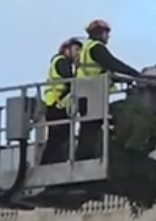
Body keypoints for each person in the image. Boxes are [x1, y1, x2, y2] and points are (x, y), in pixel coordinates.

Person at [75, 20, 144, 160]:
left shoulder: (86, 48)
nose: (108, 37)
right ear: (100, 33)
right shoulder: (96, 47)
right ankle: (85, 157)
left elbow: (101, 71)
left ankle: (83, 156)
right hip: (92, 93)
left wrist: (121, 79)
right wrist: (137, 74)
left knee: (88, 128)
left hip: (86, 92)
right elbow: (112, 63)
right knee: (91, 128)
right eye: (107, 33)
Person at [40, 38, 81, 165]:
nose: (78, 53)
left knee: (60, 137)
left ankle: (51, 162)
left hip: (59, 105)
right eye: (76, 50)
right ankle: (46, 164)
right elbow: (70, 79)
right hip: (56, 105)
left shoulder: (62, 62)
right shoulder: (61, 61)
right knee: (57, 138)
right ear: (66, 50)